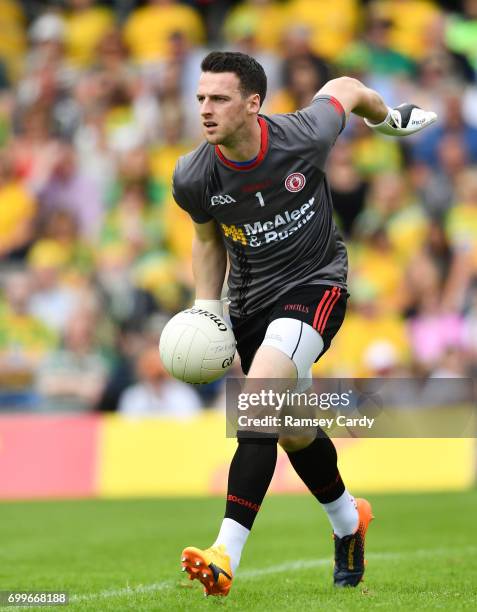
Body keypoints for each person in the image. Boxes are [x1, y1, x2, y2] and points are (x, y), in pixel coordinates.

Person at [172, 51, 436, 597]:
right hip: (249, 306)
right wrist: (206, 308)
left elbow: (346, 86)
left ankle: (225, 553)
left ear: (253, 103)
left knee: (257, 400)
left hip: (317, 285)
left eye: (219, 98)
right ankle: (348, 520)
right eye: (200, 98)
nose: (205, 109)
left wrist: (387, 119)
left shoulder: (304, 135)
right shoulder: (193, 175)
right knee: (290, 428)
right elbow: (205, 240)